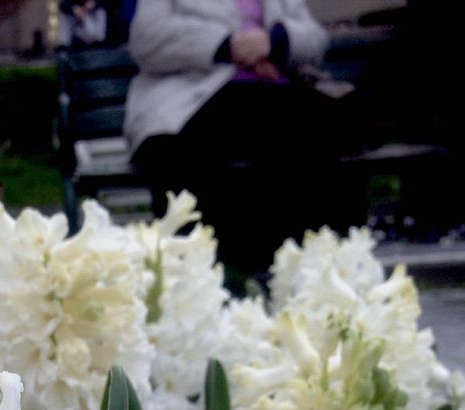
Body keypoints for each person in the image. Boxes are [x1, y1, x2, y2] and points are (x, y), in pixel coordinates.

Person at [124, 1, 363, 272]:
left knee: (318, 134)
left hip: (276, 97)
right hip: (191, 100)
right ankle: (225, 274)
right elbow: (146, 39)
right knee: (194, 151)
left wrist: (275, 41)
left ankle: (319, 270)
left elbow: (314, 38)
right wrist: (228, 46)